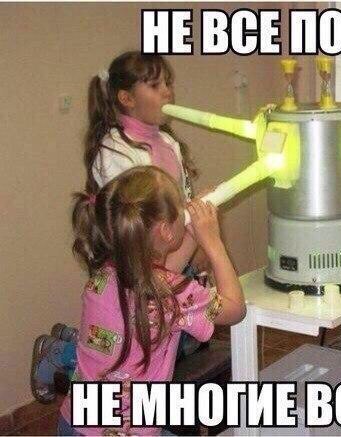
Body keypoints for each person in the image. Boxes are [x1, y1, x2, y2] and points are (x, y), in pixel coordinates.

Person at [31, 51, 208, 403]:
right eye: (156, 86)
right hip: (131, 269)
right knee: (129, 352)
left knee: (169, 342)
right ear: (126, 98)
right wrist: (184, 253)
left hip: (168, 258)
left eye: (168, 83)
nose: (168, 93)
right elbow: (137, 228)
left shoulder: (168, 143)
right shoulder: (114, 152)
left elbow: (179, 208)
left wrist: (198, 241)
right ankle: (58, 353)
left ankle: (72, 339)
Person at [57, 165, 245, 435]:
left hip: (75, 424)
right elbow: (235, 309)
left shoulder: (105, 277)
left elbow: (162, 279)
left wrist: (193, 233)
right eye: (180, 204)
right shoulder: (172, 293)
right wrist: (213, 243)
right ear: (166, 231)